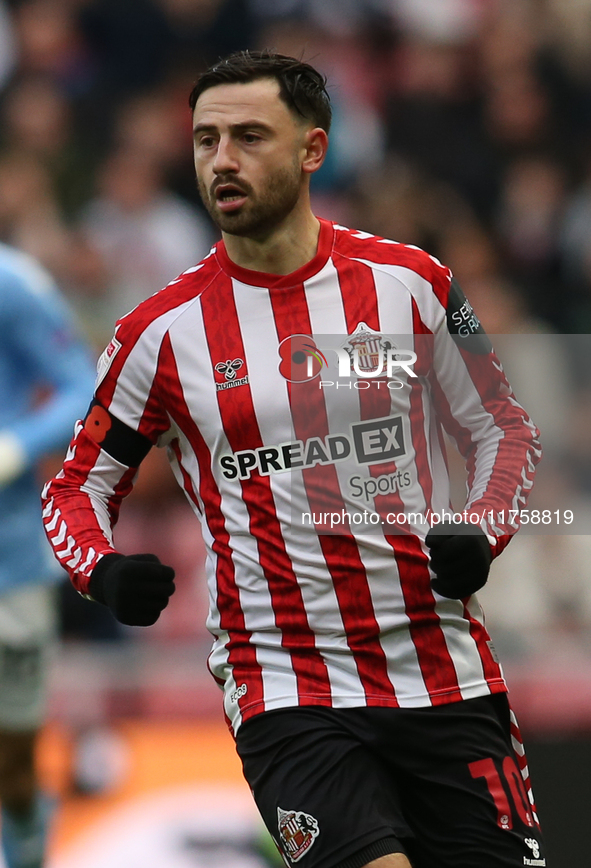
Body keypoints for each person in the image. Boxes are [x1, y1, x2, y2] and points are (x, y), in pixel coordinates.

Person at [42, 51, 546, 868]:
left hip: (441, 668)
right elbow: (76, 488)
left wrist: (480, 531)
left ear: (312, 150)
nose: (222, 161)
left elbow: (504, 430)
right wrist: (101, 570)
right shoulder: (159, 334)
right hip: (285, 683)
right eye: (206, 140)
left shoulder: (411, 284)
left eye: (248, 137)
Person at [0, 241, 95, 868]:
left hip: (8, 571)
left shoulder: (11, 281)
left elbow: (81, 384)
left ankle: (28, 846)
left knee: (12, 769)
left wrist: (15, 443)